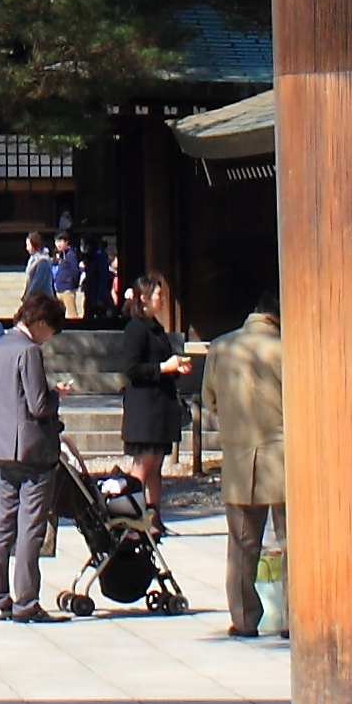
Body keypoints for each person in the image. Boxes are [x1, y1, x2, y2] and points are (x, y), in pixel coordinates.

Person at [0, 288, 66, 622]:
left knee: (2, 522)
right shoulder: (28, 352)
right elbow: (38, 404)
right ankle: (26, 600)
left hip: (2, 444)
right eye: (50, 331)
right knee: (31, 525)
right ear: (40, 322)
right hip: (32, 446)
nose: (48, 339)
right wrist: (57, 394)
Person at [206, 301, 285, 638]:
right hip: (283, 455)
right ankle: (294, 619)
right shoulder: (287, 348)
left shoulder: (221, 347)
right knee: (292, 544)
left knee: (241, 545)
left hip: (238, 455)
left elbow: (209, 401)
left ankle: (243, 618)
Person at [115, 272, 197, 527]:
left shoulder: (156, 328)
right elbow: (132, 368)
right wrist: (163, 367)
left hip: (160, 402)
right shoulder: (135, 329)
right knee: (143, 462)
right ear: (144, 298)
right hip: (144, 406)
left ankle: (154, 516)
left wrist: (176, 367)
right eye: (158, 295)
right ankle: (132, 515)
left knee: (156, 464)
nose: (161, 300)